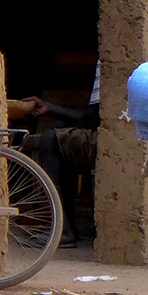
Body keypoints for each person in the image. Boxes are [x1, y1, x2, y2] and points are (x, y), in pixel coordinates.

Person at [19, 63, 100, 246]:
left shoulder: (105, 63)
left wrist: (52, 109)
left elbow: (93, 119)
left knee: (52, 140)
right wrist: (49, 108)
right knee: (65, 139)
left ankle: (62, 230)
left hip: (116, 140)